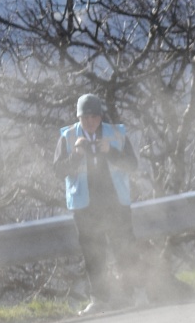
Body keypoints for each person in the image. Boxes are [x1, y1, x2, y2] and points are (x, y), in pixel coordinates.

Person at [53, 94, 142, 310]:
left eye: (94, 117)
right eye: (85, 117)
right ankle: (100, 299)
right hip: (85, 207)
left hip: (116, 203)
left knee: (125, 249)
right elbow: (58, 171)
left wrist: (111, 152)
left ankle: (134, 294)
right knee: (93, 254)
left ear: (101, 117)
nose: (90, 122)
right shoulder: (68, 137)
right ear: (78, 118)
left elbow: (132, 165)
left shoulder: (116, 134)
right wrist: (75, 155)